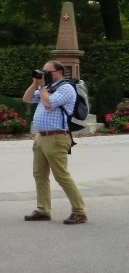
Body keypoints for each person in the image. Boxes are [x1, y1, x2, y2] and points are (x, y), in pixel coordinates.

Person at [22, 61, 86, 225]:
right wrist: (35, 83)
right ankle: (43, 210)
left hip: (57, 137)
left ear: (58, 72)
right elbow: (27, 99)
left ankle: (79, 211)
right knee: (40, 175)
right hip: (41, 137)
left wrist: (42, 87)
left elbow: (49, 104)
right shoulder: (47, 88)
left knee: (61, 176)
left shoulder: (66, 88)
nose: (44, 73)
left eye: (46, 71)